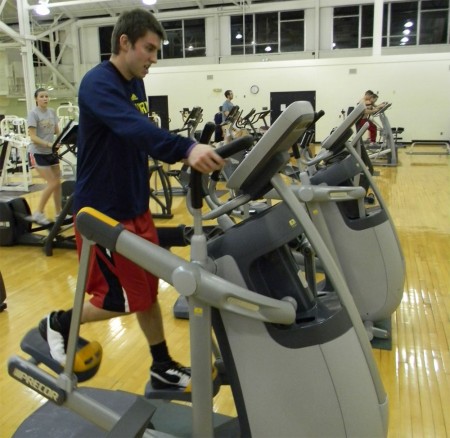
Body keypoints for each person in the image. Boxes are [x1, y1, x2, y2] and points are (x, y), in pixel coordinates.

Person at [37, 8, 225, 391]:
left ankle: (161, 365)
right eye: (149, 49)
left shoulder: (136, 83)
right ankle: (57, 322)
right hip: (102, 215)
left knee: (147, 293)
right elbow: (133, 127)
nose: (153, 59)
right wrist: (185, 148)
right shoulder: (97, 83)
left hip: (133, 206)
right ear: (124, 43)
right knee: (119, 299)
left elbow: (139, 138)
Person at [27, 88, 63, 225]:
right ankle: (38, 213)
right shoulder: (33, 114)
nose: (45, 98)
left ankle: (59, 213)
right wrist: (49, 144)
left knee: (57, 183)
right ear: (36, 99)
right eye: (42, 96)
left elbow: (57, 131)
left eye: (47, 96)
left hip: (51, 153)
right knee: (52, 182)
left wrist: (61, 140)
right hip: (38, 153)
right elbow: (33, 137)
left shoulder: (52, 112)